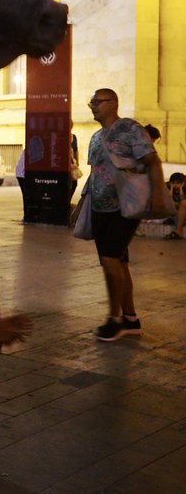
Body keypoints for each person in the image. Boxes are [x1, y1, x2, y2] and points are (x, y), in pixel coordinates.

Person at [85, 88, 168, 342]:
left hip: (125, 206)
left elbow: (152, 162)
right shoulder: (96, 137)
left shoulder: (130, 128)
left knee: (110, 260)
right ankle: (131, 318)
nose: (93, 106)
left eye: (98, 102)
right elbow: (96, 172)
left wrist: (156, 195)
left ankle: (114, 320)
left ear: (113, 103)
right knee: (117, 262)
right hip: (100, 208)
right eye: (92, 102)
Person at [163, 172, 186, 240]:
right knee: (171, 203)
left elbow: (183, 199)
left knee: (183, 203)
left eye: (178, 183)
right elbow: (168, 199)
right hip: (174, 211)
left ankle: (179, 231)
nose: (176, 185)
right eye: (174, 183)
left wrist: (181, 189)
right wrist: (171, 188)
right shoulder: (167, 186)